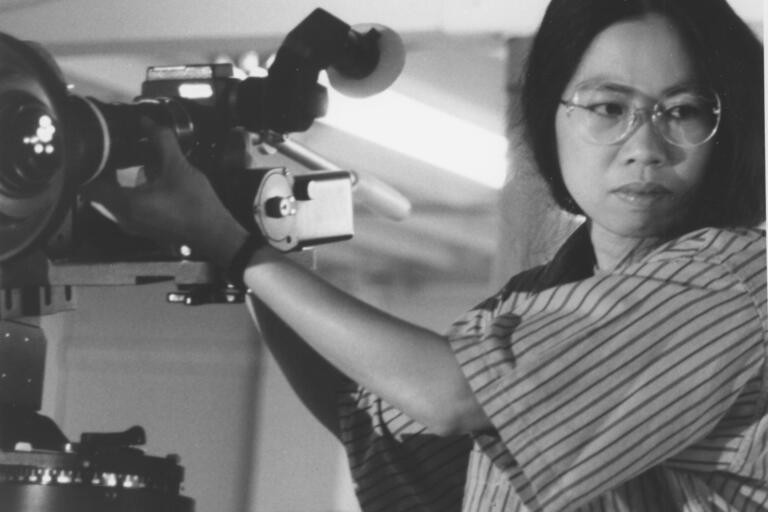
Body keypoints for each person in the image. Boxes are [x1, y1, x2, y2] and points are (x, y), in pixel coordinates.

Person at [85, 0, 766, 509]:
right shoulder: (545, 301)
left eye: (682, 111)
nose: (644, 145)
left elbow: (452, 396)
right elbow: (376, 419)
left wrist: (236, 249)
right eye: (608, 108)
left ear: (728, 130)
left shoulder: (736, 286)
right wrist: (249, 235)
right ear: (549, 119)